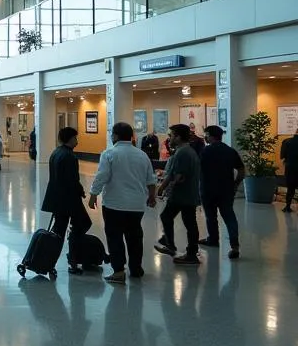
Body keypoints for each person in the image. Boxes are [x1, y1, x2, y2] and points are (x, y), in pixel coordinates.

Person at [88, 121, 157, 283]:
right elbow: (151, 179)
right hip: (136, 205)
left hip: (114, 204)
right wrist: (152, 197)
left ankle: (118, 271)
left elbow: (102, 176)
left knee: (115, 237)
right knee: (135, 237)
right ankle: (136, 268)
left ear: (116, 136)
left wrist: (93, 194)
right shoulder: (142, 155)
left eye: (112, 134)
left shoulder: (109, 153)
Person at [41, 126, 92, 274]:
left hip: (57, 199)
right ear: (70, 139)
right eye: (75, 138)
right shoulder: (69, 156)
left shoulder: (56, 153)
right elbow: (72, 180)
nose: (77, 141)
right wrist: (81, 191)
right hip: (69, 200)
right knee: (81, 225)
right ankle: (73, 259)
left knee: (59, 231)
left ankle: (50, 262)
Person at [155, 123, 203, 266]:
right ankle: (174, 245)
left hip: (183, 195)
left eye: (172, 135)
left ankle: (185, 251)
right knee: (185, 221)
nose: (169, 138)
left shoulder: (182, 153)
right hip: (187, 194)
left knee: (183, 221)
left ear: (179, 137)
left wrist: (163, 187)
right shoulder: (187, 151)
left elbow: (178, 176)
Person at [198, 125, 244, 257]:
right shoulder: (230, 151)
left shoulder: (205, 151)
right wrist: (235, 184)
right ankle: (235, 246)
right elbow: (241, 170)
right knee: (229, 217)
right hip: (226, 190)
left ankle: (213, 239)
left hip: (207, 190)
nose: (204, 137)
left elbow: (197, 169)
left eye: (206, 134)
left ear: (211, 135)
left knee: (210, 217)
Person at [282, 128, 298, 212]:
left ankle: (287, 207)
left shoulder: (286, 141)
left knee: (290, 189)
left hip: (290, 168)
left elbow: (282, 156)